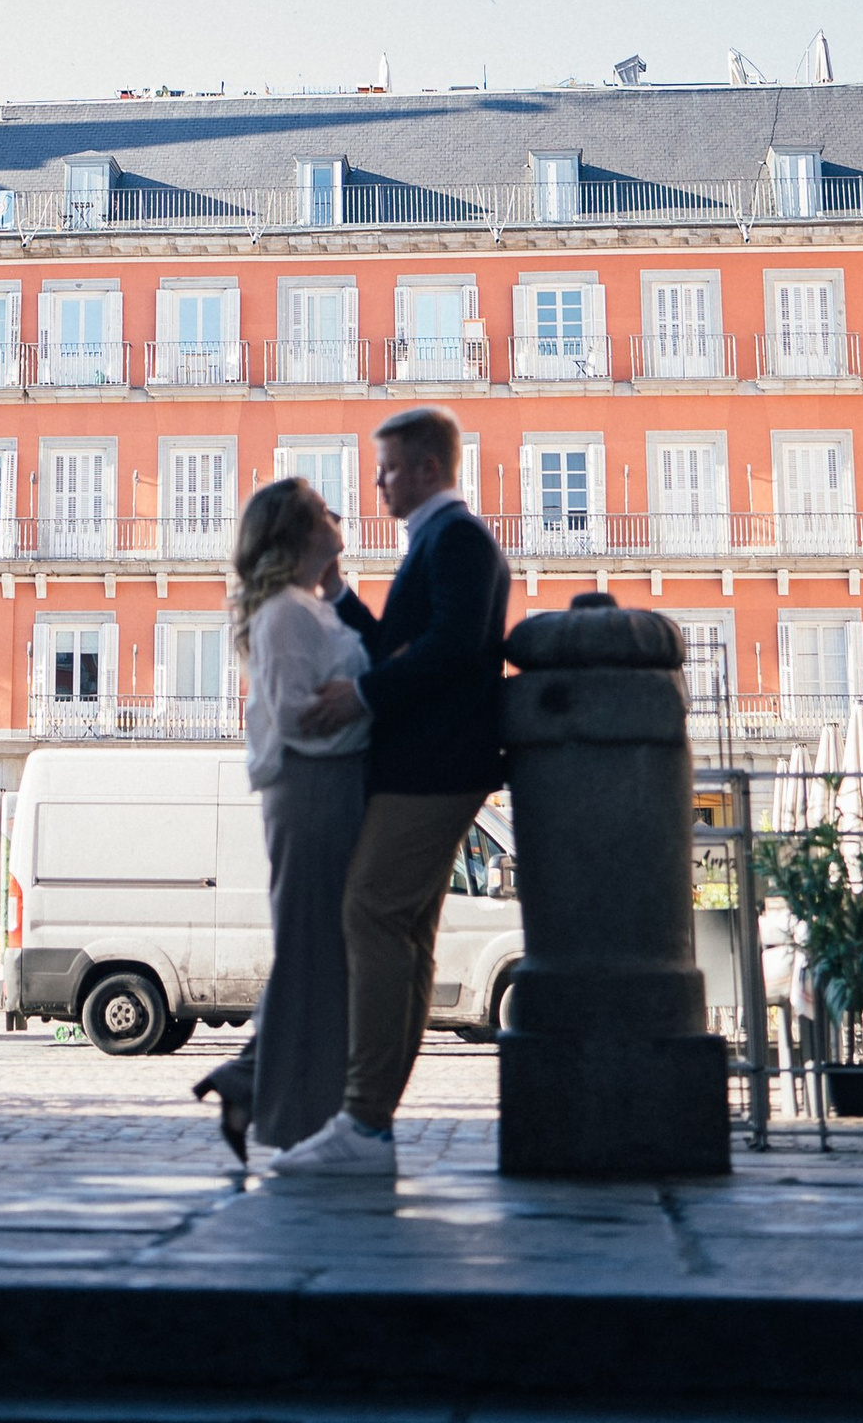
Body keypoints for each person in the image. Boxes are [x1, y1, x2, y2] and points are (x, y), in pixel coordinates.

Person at [267, 403, 509, 1181]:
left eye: (389, 468)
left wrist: (364, 699)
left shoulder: (458, 538)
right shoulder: (437, 541)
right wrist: (339, 594)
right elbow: (403, 644)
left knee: (369, 912)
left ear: (428, 469)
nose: (377, 484)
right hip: (433, 764)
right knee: (405, 935)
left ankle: (365, 1122)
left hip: (433, 765)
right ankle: (372, 1121)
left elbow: (453, 644)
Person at [194, 475, 371, 1164]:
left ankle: (253, 1086)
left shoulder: (309, 605)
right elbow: (302, 713)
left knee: (317, 951)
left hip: (327, 787)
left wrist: (357, 694)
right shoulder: (287, 615)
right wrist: (369, 704)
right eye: (324, 509)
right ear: (298, 531)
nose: (339, 512)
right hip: (315, 787)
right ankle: (293, 1114)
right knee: (313, 953)